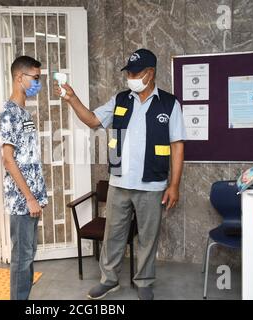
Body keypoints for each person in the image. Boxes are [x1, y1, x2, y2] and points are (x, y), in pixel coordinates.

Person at [54, 49, 187, 300]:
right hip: (119, 181)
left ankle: (144, 281)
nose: (130, 77)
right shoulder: (120, 99)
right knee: (113, 234)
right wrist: (72, 99)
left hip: (153, 182)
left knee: (148, 237)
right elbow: (93, 120)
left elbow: (177, 144)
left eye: (135, 73)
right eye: (129, 72)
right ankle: (109, 280)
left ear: (150, 73)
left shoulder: (169, 104)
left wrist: (175, 184)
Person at [0, 56, 48, 300]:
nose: (38, 83)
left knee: (29, 255)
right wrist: (29, 198)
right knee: (21, 258)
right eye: (36, 78)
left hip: (32, 198)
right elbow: (8, 159)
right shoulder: (9, 112)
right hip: (22, 202)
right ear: (20, 77)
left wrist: (36, 196)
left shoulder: (23, 112)